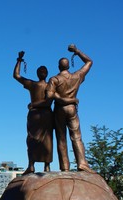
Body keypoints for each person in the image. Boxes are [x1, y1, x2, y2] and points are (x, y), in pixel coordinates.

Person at [46, 44, 95, 173]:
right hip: (72, 109)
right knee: (77, 136)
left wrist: (61, 99)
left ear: (58, 67)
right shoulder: (77, 76)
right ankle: (82, 163)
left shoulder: (54, 79)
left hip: (59, 110)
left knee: (61, 139)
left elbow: (49, 95)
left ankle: (65, 167)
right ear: (68, 66)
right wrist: (77, 51)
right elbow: (89, 61)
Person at [13, 51, 54, 175]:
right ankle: (44, 166)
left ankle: (33, 165)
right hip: (45, 115)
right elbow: (16, 76)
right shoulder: (50, 86)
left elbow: (16, 75)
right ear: (46, 74)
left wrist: (19, 60)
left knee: (34, 139)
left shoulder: (33, 84)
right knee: (46, 139)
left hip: (37, 114)